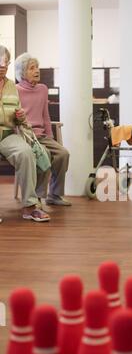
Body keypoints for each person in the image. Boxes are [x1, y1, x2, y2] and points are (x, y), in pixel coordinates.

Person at [0, 45, 50, 222]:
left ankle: (30, 206)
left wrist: (20, 116)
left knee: (26, 152)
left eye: (5, 62)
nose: (2, 66)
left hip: (7, 134)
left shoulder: (12, 87)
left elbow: (19, 116)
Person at [15, 53, 71, 206]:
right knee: (44, 154)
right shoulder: (15, 90)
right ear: (22, 73)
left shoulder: (42, 89)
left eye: (37, 67)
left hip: (42, 135)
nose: (36, 71)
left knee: (63, 154)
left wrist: (51, 137)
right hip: (25, 135)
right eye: (31, 68)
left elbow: (46, 116)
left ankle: (55, 195)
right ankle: (37, 197)